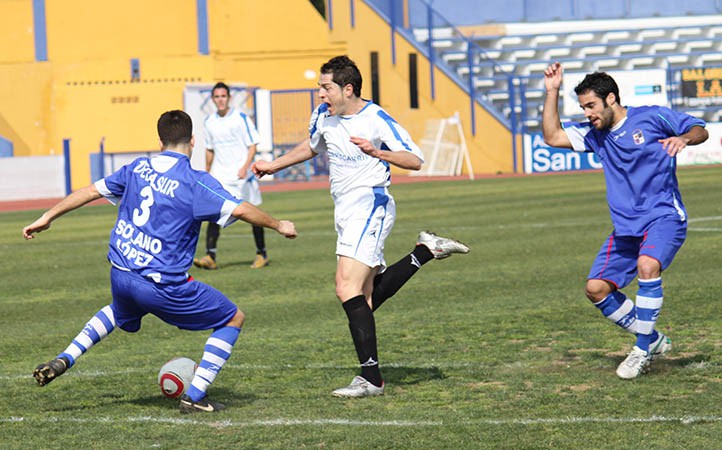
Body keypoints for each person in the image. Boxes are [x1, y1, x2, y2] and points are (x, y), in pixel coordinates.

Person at [24, 110, 297, 413]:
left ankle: (65, 358)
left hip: (121, 275)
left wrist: (48, 216)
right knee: (232, 318)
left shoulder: (136, 168)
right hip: (162, 285)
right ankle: (195, 396)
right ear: (192, 140)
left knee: (117, 310)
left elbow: (90, 191)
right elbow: (242, 209)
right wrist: (278, 224)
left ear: (160, 140)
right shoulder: (194, 182)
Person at [252, 55, 469, 398]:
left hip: (371, 205)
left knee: (346, 287)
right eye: (320, 88)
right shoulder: (323, 116)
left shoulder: (376, 118)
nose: (320, 95)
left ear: (347, 88)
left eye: (326, 88)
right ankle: (425, 251)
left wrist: (377, 153)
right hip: (344, 210)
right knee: (362, 297)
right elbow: (310, 147)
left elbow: (414, 159)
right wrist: (272, 166)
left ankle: (372, 380)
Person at [542, 62, 708, 379]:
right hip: (626, 228)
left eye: (591, 105)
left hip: (663, 217)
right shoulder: (596, 135)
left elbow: (700, 128)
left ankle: (642, 348)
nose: (588, 113)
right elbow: (552, 136)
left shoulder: (652, 116)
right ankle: (655, 339)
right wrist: (552, 91)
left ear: (611, 99)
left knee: (648, 266)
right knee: (596, 288)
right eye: (583, 107)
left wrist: (684, 139)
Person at [193, 82, 269, 270]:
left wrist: (245, 167)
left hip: (241, 176)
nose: (220, 100)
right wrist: (207, 173)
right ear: (212, 99)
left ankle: (262, 253)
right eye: (217, 97)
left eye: (223, 96)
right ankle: (210, 256)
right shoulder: (209, 122)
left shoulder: (240, 118)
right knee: (213, 214)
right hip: (220, 175)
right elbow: (209, 150)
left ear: (229, 98)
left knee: (252, 214)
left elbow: (253, 144)